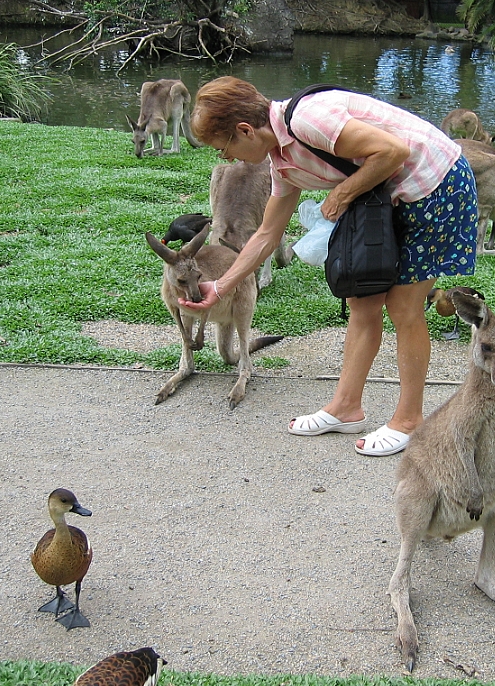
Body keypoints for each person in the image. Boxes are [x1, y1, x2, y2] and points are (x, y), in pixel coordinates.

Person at [183, 76, 478, 456]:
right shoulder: (282, 162)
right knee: (363, 302)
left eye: (223, 148)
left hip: (435, 186)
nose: (225, 159)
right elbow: (267, 235)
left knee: (404, 306)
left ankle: (409, 421)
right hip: (389, 200)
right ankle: (346, 408)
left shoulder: (308, 119)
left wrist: (341, 193)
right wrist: (219, 287)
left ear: (244, 130)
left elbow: (392, 151)